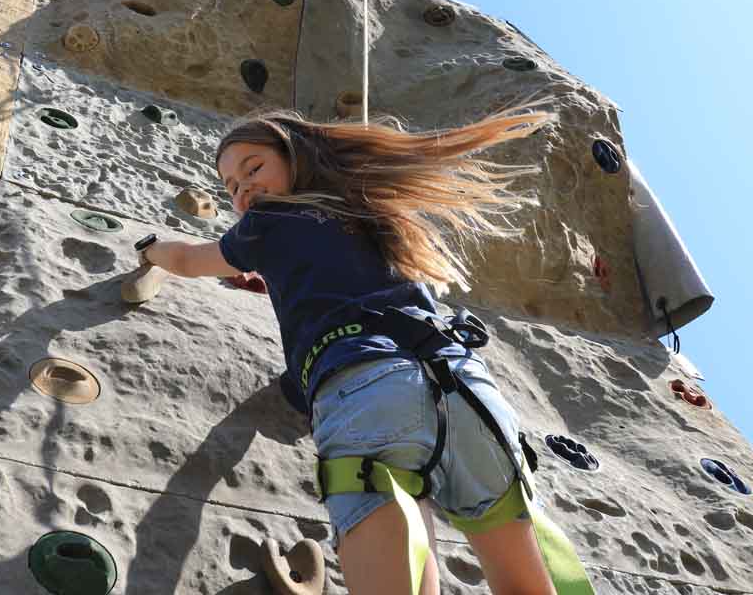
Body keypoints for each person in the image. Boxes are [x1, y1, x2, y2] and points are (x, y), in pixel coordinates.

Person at [137, 103, 567, 595]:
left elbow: (191, 261)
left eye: (253, 169)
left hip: (369, 390)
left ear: (295, 157)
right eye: (231, 187)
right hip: (468, 390)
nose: (244, 190)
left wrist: (150, 249)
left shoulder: (269, 221)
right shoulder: (374, 212)